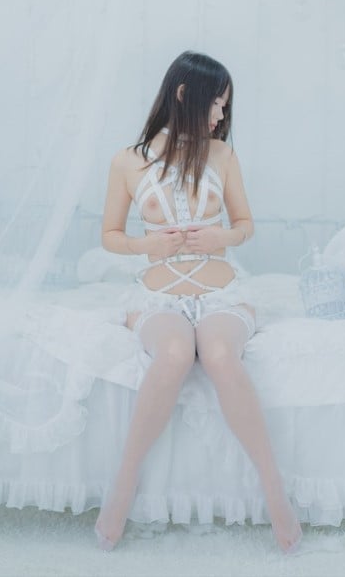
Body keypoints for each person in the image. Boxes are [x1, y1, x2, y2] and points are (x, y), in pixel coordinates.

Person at [94, 51, 302, 554]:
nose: (221, 115)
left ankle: (274, 490)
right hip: (159, 294)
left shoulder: (222, 156)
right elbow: (110, 235)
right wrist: (148, 245)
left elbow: (245, 225)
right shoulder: (127, 161)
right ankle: (123, 483)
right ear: (185, 94)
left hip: (221, 292)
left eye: (225, 106)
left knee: (220, 354)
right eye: (216, 103)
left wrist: (220, 237)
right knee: (172, 354)